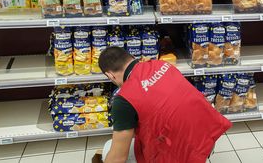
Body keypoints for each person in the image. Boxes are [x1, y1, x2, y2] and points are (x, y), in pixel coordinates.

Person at [98, 47, 232, 163]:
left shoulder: (123, 100)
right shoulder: (161, 65)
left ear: (110, 75)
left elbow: (118, 158)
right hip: (208, 137)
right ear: (132, 58)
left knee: (108, 149)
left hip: (182, 155)